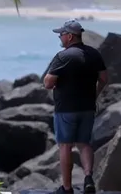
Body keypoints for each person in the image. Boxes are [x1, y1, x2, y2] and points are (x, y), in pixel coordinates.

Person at [43, 19, 108, 194]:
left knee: (65, 146)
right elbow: (104, 79)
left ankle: (67, 188)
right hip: (87, 108)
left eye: (61, 34)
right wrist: (94, 94)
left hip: (66, 109)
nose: (60, 37)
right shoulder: (94, 54)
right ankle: (88, 178)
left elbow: (48, 83)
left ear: (69, 36)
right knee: (84, 144)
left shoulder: (63, 56)